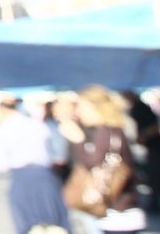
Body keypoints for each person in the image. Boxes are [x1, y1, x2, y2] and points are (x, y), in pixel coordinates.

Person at [59, 86, 145, 234]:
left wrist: (78, 140)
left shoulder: (106, 131)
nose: (78, 112)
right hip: (117, 208)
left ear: (94, 107)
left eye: (81, 106)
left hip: (118, 212)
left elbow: (93, 164)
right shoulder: (111, 130)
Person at [0, 97, 71, 234]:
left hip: (21, 179)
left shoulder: (1, 130)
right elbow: (55, 155)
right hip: (45, 176)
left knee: (26, 226)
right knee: (56, 223)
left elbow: (0, 164)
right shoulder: (38, 125)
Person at [121, 90, 160, 211]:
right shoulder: (136, 108)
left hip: (152, 147)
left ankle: (156, 202)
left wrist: (143, 136)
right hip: (147, 147)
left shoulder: (142, 108)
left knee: (155, 175)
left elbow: (156, 125)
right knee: (151, 176)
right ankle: (154, 201)